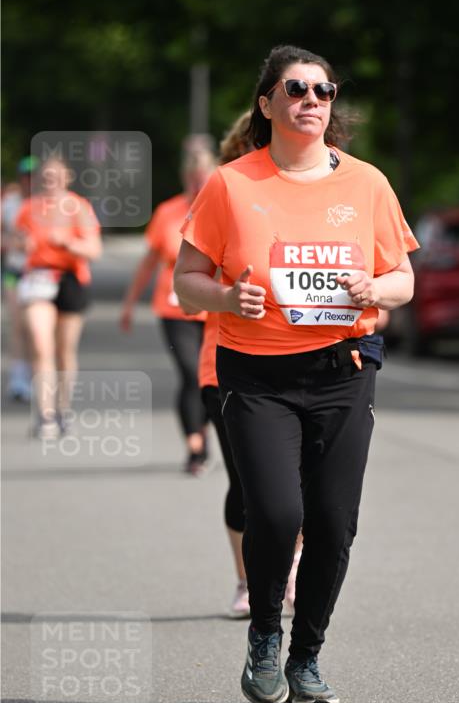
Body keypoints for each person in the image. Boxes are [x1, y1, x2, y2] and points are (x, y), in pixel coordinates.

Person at [174, 44, 418, 703]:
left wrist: (375, 283)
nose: (309, 100)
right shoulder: (231, 184)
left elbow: (403, 279)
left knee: (334, 524)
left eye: (322, 90)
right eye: (295, 89)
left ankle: (306, 658)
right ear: (267, 103)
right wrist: (227, 299)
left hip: (343, 371)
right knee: (277, 514)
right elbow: (186, 283)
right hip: (255, 374)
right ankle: (263, 639)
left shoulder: (366, 183)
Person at [196, 111, 302, 619]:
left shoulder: (310, 196)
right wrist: (229, 293)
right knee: (246, 483)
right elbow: (190, 287)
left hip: (306, 361)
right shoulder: (221, 196)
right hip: (228, 366)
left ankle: (291, 568)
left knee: (302, 484)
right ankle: (245, 581)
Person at [120, 141, 216, 475]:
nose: (197, 185)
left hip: (215, 310)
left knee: (210, 378)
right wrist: (130, 304)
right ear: (184, 178)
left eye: (203, 177)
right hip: (174, 310)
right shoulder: (167, 212)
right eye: (192, 178)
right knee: (191, 373)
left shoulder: (223, 211)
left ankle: (204, 432)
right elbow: (148, 263)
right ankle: (195, 444)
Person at [14, 155, 102, 437]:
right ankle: (45, 415)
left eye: (56, 176)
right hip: (38, 279)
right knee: (41, 346)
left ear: (67, 178)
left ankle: (63, 408)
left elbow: (94, 250)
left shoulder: (79, 207)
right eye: (46, 177)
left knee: (64, 351)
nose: (50, 182)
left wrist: (69, 243)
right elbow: (11, 240)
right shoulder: (29, 208)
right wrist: (19, 243)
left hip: (70, 279)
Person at [2, 156, 40, 402]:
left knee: (36, 329)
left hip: (41, 274)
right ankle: (18, 376)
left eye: (34, 177)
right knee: (17, 324)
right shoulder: (9, 205)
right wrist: (12, 243)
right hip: (15, 272)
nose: (29, 182)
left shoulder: (47, 204)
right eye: (26, 177)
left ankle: (39, 375)